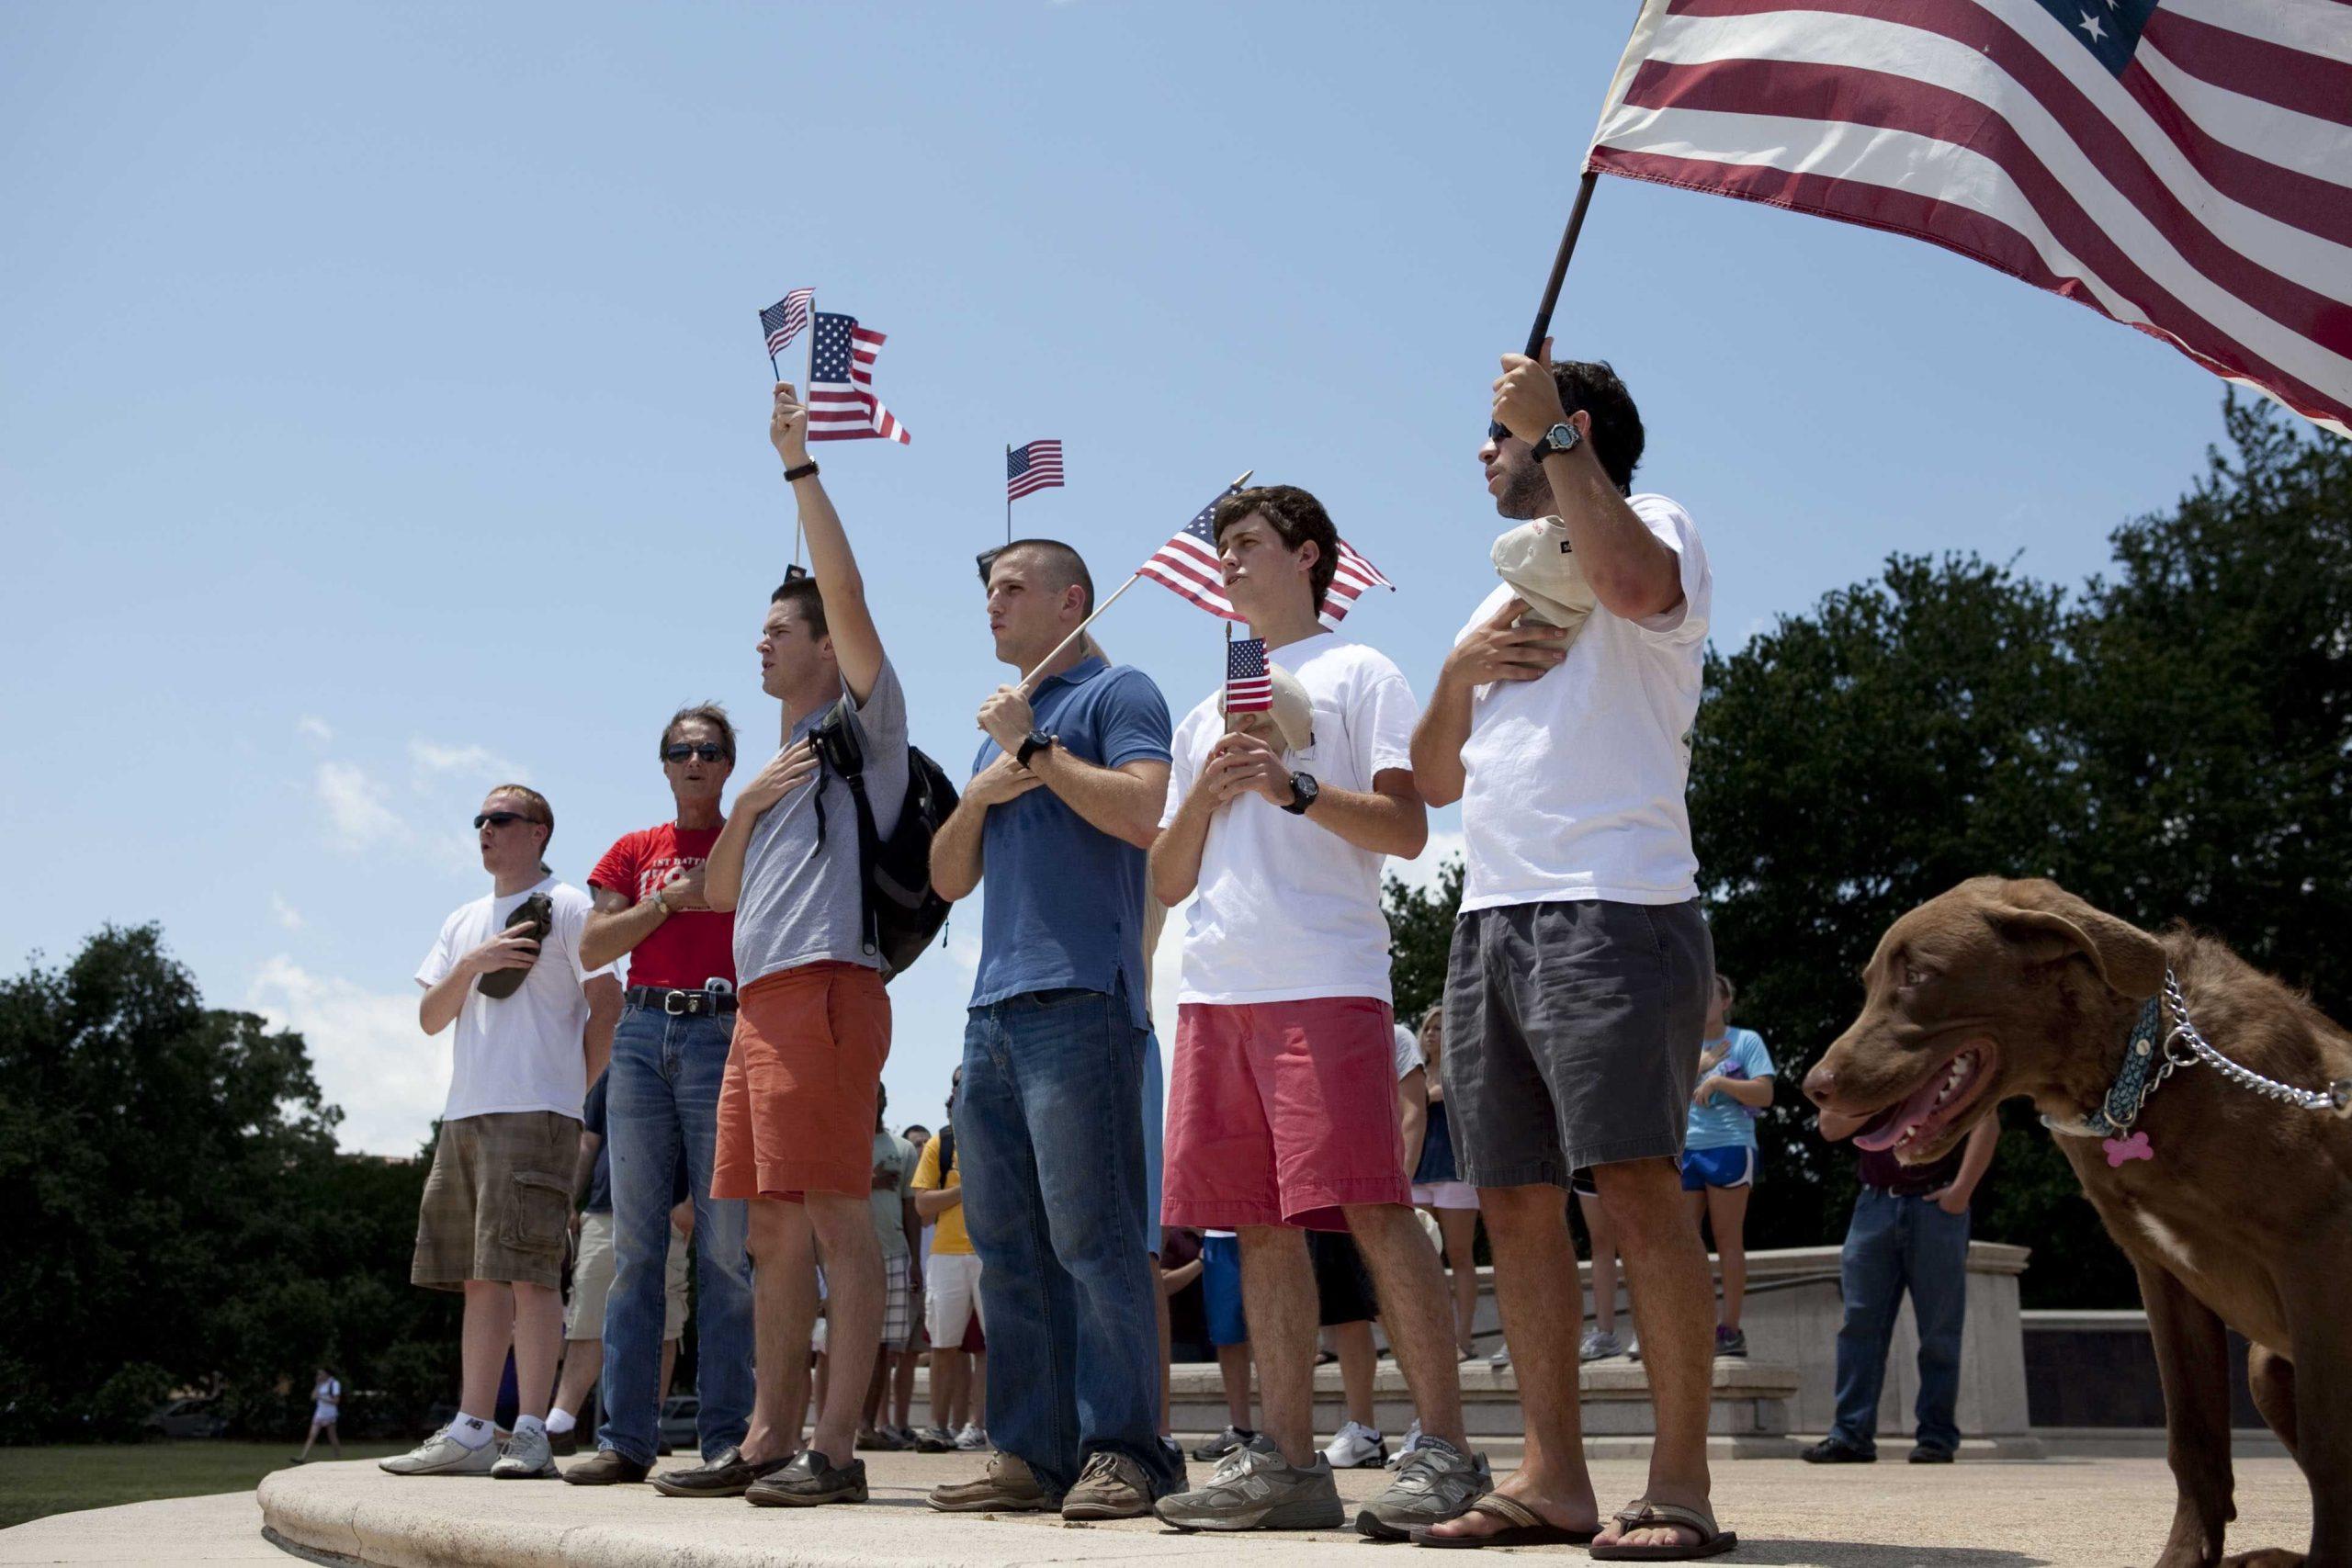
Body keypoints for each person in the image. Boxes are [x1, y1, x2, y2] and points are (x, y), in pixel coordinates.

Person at [1410, 348, 1732, 1556]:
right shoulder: (1492, 598)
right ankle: (1552, 1477)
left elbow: (1640, 590)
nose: (1484, 452)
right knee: (1513, 1199)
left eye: (1499, 434)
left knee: (1638, 1189)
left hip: (1617, 906)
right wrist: (1455, 671)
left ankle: (1682, 1483)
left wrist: (1555, 441)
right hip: (1488, 917)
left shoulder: (1653, 522)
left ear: (1568, 428)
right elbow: (1435, 778)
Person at [1150, 485, 1478, 1540]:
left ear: (1305, 556)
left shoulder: (1359, 671)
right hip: (1214, 992)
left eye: (1244, 545)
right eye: (1220, 549)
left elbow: (1405, 828)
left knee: (1375, 1212)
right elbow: (1163, 880)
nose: (1226, 563)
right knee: (1254, 1228)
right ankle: (1289, 1466)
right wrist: (1206, 792)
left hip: (1325, 981)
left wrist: (1292, 789)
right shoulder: (1204, 712)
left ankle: (1446, 1451)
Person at [923, 537, 1182, 1519]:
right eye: (986, 588)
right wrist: (986, 785)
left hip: (1083, 997)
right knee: (1008, 1248)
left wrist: (1033, 749)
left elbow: (1146, 813)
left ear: (1072, 599)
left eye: (1011, 588)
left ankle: (1128, 1449)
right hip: (991, 1010)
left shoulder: (1120, 695)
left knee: (1095, 1241)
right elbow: (950, 878)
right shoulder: (999, 734)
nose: (991, 604)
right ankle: (1032, 1453)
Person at [692, 383, 910, 1508]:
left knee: (831, 1213)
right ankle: (768, 1435)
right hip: (756, 999)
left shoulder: (862, 726)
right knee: (766, 1228)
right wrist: (744, 805)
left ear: (826, 645)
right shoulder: (775, 766)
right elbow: (715, 893)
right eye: (760, 634)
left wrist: (799, 468)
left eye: (781, 630)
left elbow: (850, 590)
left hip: (826, 986)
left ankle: (837, 1448)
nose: (762, 645)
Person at [384, 785, 620, 1481]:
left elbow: (606, 1003)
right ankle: (470, 1427)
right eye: (481, 819)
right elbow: (431, 1016)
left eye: (502, 819)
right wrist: (472, 963)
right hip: (464, 1114)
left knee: (530, 1274)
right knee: (479, 1276)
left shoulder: (571, 906)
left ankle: (531, 1433)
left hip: (537, 1111)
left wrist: (570, 1095)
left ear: (539, 831)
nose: (486, 829)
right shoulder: (463, 920)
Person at [563, 705, 756, 1486]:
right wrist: (669, 903)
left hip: (723, 1029)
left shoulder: (752, 842)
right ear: (665, 762)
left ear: (729, 763)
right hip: (642, 1036)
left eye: (709, 749)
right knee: (639, 1248)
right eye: (681, 750)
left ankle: (725, 1437)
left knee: (723, 1250)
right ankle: (625, 1439)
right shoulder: (634, 850)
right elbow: (593, 945)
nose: (695, 760)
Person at [1806, 1110, 2000, 1465]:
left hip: (1936, 1205)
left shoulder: (1949, 1060)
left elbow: (1986, 1121)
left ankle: (1936, 1437)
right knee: (1859, 1325)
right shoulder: (1866, 1066)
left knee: (1939, 1330)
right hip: (1874, 1202)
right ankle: (1850, 1435)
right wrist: (1876, 1093)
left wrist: (1960, 1192)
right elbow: (1830, 1127)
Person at [551, 1067, 693, 1464]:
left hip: (667, 1212)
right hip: (603, 1209)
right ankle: (560, 1423)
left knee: (664, 1325)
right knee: (586, 1320)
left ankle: (649, 1425)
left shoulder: (694, 1054)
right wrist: (569, 1199)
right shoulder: (614, 1067)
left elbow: (710, 1137)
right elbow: (588, 1142)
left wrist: (692, 1205)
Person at [1321, 1017, 1440, 1472]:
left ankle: (1427, 1425)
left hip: (1382, 1193)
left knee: (1399, 1308)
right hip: (1333, 1192)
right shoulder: (1318, 1035)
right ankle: (1364, 1431)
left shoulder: (1395, 1035)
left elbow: (1413, 1111)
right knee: (1347, 1313)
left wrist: (1400, 1189)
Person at [1682, 974, 1773, 1359]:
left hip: (1730, 1146)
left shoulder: (1746, 1040)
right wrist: (1697, 1066)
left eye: (1710, 995)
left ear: (1725, 1001)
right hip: (1685, 1150)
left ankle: (1730, 1329)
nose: (1702, 1001)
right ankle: (1688, 1325)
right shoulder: (1680, 1044)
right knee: (1684, 1244)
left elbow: (1765, 1094)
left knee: (1726, 1239)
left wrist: (1720, 1083)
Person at [910, 1073, 984, 1453]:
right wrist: (965, 1188)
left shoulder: (998, 1134)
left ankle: (979, 1426)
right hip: (946, 1254)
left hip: (991, 1254)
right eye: (957, 1081)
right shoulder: (941, 1142)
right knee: (942, 1345)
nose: (963, 1086)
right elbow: (923, 1205)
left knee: (990, 1347)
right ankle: (937, 1426)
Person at [1408, 1005, 1483, 1363]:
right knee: (1425, 1261)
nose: (1432, 1034)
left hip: (1455, 1171)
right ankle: (1431, 1342)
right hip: (1418, 1174)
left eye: (1439, 1028)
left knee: (1460, 1256)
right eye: (1427, 1028)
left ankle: (1463, 1339)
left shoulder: (1463, 1068)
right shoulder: (1414, 1073)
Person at [855, 1088, 922, 1450]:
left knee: (882, 1348)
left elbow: (911, 1209)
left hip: (895, 1256)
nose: (874, 1099)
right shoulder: (842, 1140)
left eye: (879, 1093)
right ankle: (839, 1428)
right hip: (848, 1255)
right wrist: (869, 1181)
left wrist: (914, 1261)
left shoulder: (903, 1149)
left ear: (884, 1101)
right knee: (842, 1344)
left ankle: (866, 1427)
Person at [1188, 1229, 1258, 1460]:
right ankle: (1241, 1430)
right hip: (1219, 1233)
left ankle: (1284, 1432)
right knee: (1227, 1335)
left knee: (1274, 1332)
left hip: (1271, 1226)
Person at [293, 1368, 341, 1463]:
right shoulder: (320, 1384)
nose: (319, 1376)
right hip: (319, 1413)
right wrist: (317, 1386)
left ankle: (337, 1458)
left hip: (330, 1414)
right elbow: (313, 1397)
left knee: (332, 1436)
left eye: (321, 1374)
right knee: (312, 1435)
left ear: (327, 1374)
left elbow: (336, 1400)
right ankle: (303, 1457)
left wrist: (323, 1398)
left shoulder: (334, 1384)